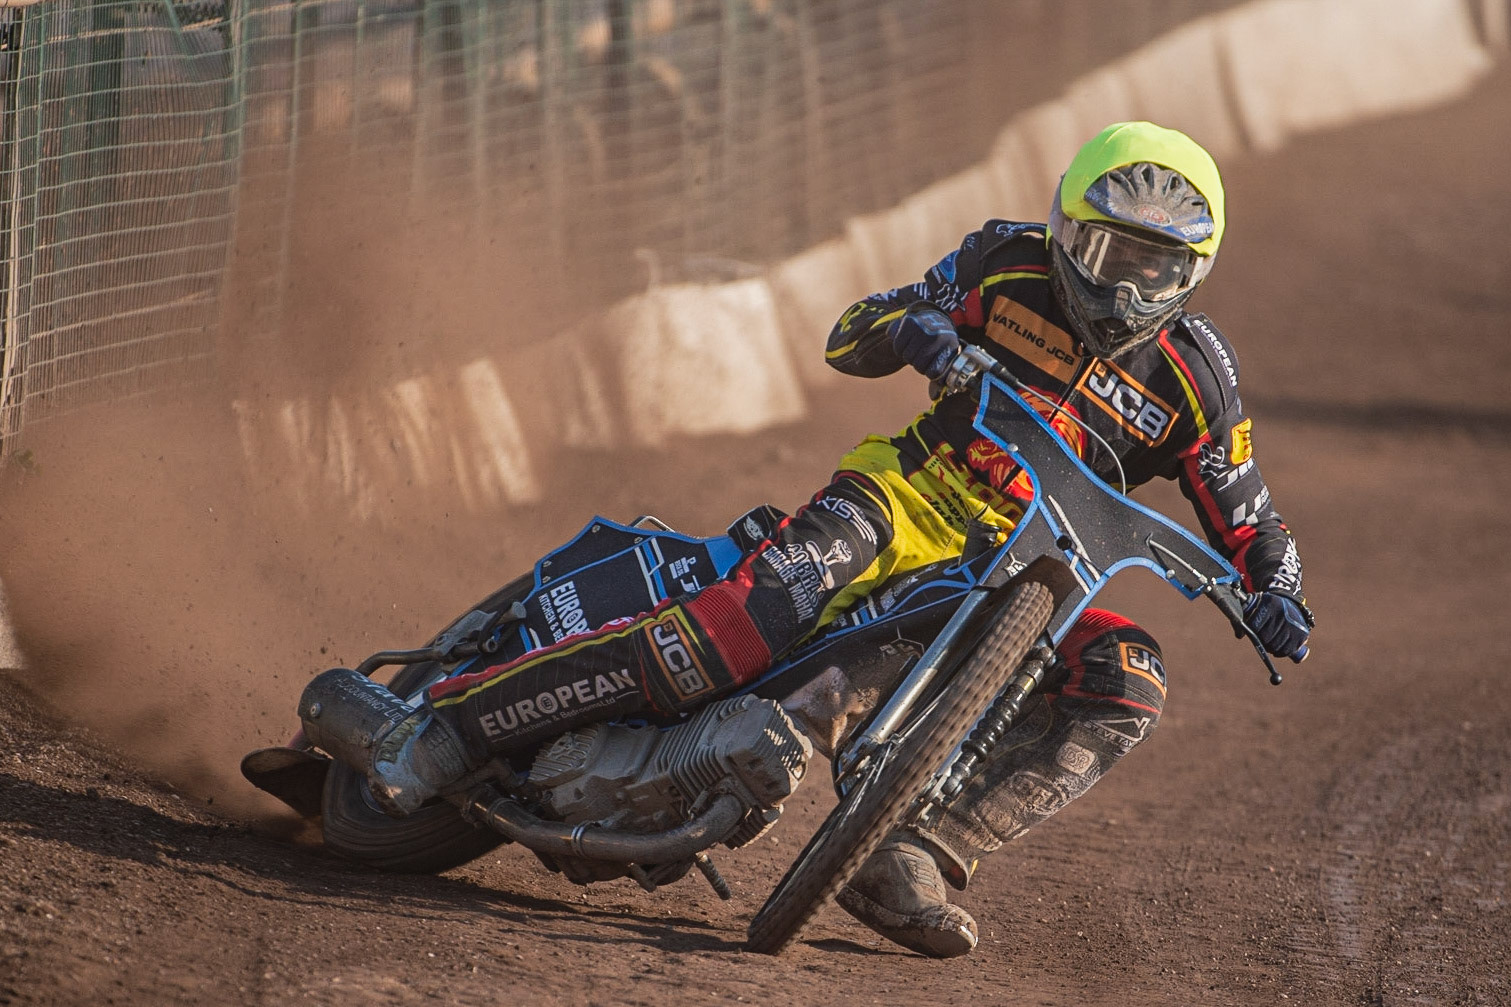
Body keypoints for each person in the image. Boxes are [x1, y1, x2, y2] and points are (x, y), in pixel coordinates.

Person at [353, 121, 1313, 958]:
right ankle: (445, 729)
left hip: (1032, 574)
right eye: (1107, 255)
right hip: (905, 497)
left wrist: (1276, 589)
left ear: (1192, 273)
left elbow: (1249, 513)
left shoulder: (1197, 378)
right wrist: (925, 336)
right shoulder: (1002, 261)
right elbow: (858, 327)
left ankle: (914, 848)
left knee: (1128, 676)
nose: (1125, 286)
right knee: (736, 629)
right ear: (1065, 234)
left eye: (1154, 267)